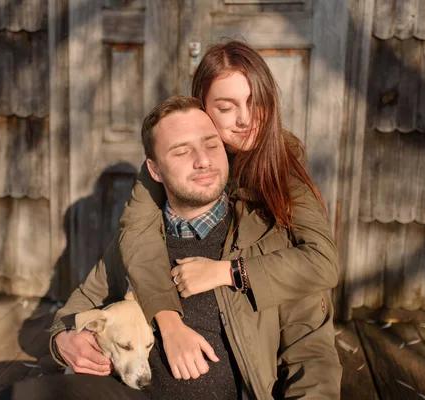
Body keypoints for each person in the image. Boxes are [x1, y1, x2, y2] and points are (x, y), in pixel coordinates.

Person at [39, 96, 341, 400]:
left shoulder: (271, 241)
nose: (203, 160)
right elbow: (77, 308)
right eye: (181, 151)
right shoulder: (135, 242)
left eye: (211, 145)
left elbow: (311, 356)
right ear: (155, 171)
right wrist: (62, 341)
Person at [118, 40, 340, 382]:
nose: (245, 119)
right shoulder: (173, 162)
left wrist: (228, 272)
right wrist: (169, 321)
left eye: (256, 102)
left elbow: (323, 261)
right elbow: (136, 234)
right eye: (226, 107)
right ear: (202, 107)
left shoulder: (282, 165)